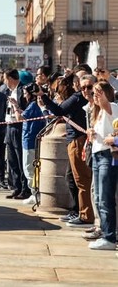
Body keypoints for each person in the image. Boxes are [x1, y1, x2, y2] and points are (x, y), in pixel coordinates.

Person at [39, 72, 94, 227]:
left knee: (81, 180)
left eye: (88, 86)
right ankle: (78, 211)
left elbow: (59, 110)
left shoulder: (78, 98)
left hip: (79, 140)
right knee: (72, 178)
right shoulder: (80, 98)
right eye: (82, 86)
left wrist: (43, 97)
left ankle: (85, 215)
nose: (84, 90)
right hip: (74, 139)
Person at [86, 80, 118, 250]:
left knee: (106, 198)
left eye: (99, 92)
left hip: (107, 155)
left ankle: (110, 237)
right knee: (98, 197)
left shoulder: (112, 106)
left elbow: (107, 105)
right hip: (97, 155)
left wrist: (101, 95)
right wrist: (92, 132)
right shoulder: (97, 113)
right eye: (94, 92)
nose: (95, 95)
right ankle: (106, 233)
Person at [13, 83, 45, 205]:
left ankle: (35, 194)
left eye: (26, 93)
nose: (25, 96)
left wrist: (15, 106)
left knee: (29, 169)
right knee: (31, 169)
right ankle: (35, 193)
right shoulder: (34, 105)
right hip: (30, 140)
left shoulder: (33, 104)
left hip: (30, 141)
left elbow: (19, 118)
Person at [3, 69, 30, 199]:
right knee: (12, 159)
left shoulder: (22, 90)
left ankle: (25, 188)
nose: (4, 82)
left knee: (20, 158)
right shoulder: (9, 92)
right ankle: (16, 187)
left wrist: (17, 106)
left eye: (5, 79)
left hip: (18, 127)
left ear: (10, 78)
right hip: (9, 126)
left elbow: (26, 109)